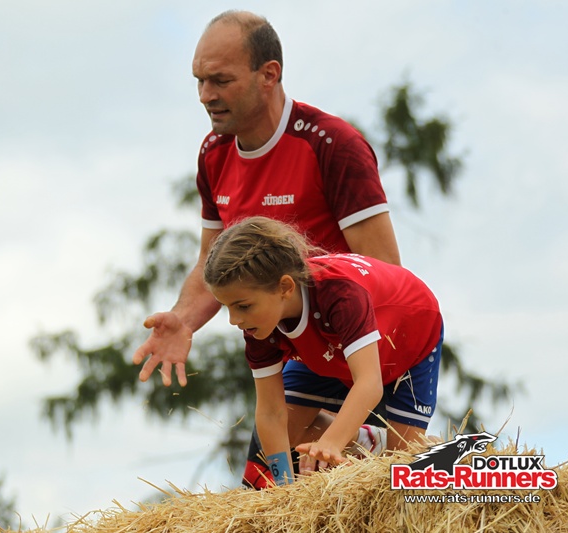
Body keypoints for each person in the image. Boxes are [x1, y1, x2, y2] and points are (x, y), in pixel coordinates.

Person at [132, 10, 401, 487]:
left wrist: (354, 372)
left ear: (269, 74)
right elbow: (212, 263)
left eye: (220, 80)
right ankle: (366, 445)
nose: (205, 95)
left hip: (352, 338)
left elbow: (385, 271)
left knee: (343, 479)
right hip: (290, 349)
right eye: (199, 81)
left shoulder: (332, 144)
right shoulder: (213, 153)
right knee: (268, 482)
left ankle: (379, 444)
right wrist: (184, 319)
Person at [203, 217, 443, 484]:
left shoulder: (340, 294)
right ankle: (367, 441)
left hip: (410, 339)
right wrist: (284, 486)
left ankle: (412, 447)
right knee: (287, 429)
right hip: (330, 346)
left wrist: (330, 442)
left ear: (285, 288)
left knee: (398, 469)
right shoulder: (257, 327)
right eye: (227, 307)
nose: (234, 320)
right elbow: (271, 413)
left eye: (243, 306)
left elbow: (369, 383)